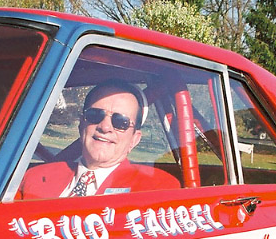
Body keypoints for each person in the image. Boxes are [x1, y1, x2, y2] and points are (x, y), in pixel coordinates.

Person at [17, 80, 181, 200]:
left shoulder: (156, 188)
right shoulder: (34, 178)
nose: (105, 126)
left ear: (134, 139)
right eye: (95, 115)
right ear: (81, 125)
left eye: (120, 122)